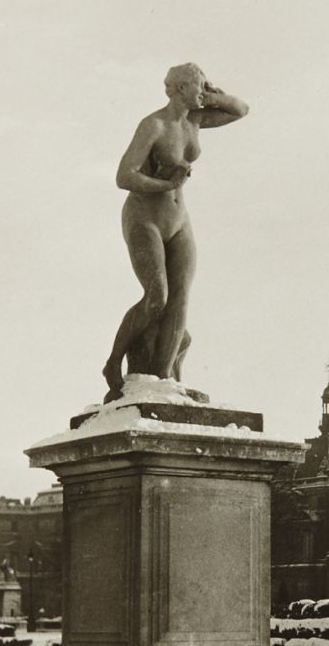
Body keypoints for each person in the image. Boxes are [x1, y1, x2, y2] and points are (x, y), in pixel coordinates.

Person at [103, 63, 250, 401]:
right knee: (158, 298)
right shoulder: (153, 125)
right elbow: (124, 176)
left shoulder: (195, 120)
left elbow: (240, 109)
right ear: (181, 89)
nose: (204, 93)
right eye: (198, 87)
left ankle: (165, 377)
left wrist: (211, 91)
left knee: (181, 299)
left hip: (179, 218)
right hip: (144, 218)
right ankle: (112, 363)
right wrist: (166, 183)